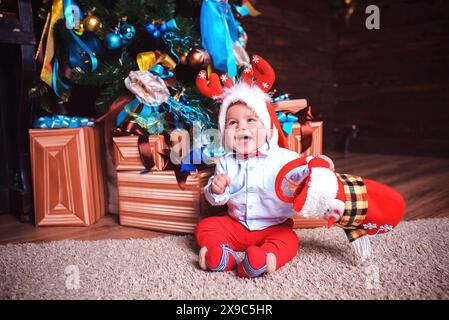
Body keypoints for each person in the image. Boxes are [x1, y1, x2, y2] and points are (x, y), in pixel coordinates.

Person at [194, 57, 334, 278]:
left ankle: (261, 259)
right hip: (236, 225)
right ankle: (221, 254)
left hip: (274, 226)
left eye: (251, 120)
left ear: (267, 127)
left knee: (289, 240)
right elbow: (217, 200)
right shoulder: (226, 161)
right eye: (232, 123)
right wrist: (216, 189)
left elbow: (303, 172)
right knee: (207, 226)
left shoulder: (284, 158)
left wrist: (315, 167)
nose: (241, 127)